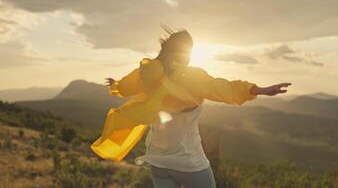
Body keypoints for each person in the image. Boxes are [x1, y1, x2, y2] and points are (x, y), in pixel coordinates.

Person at [95, 26, 291, 188]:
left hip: (158, 160)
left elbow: (126, 86)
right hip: (189, 162)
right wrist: (259, 90)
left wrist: (115, 85)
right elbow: (226, 89)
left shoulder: (148, 74)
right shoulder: (193, 79)